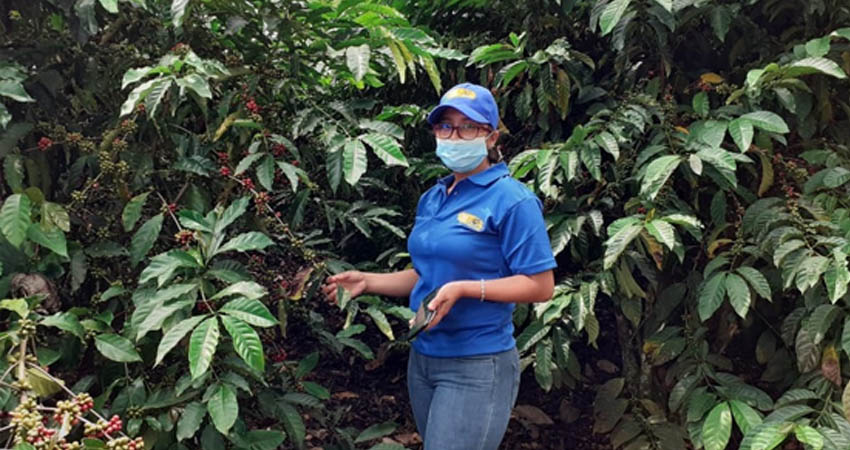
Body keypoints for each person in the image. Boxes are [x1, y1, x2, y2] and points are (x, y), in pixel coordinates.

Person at [322, 82, 556, 450]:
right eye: (445, 126)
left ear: (491, 137)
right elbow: (427, 273)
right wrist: (367, 281)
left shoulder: (513, 200)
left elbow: (540, 285)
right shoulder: (433, 197)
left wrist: (466, 288)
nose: (454, 136)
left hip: (478, 362)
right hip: (425, 358)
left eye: (468, 127)